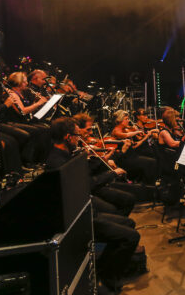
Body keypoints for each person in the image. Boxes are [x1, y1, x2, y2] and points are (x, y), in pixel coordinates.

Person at [46, 117, 140, 294]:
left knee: (129, 224)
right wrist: (108, 172)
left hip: (84, 208)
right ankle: (107, 276)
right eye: (76, 136)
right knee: (131, 236)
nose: (79, 139)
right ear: (68, 137)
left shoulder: (65, 156)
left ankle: (106, 266)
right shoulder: (58, 163)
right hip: (76, 218)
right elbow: (85, 184)